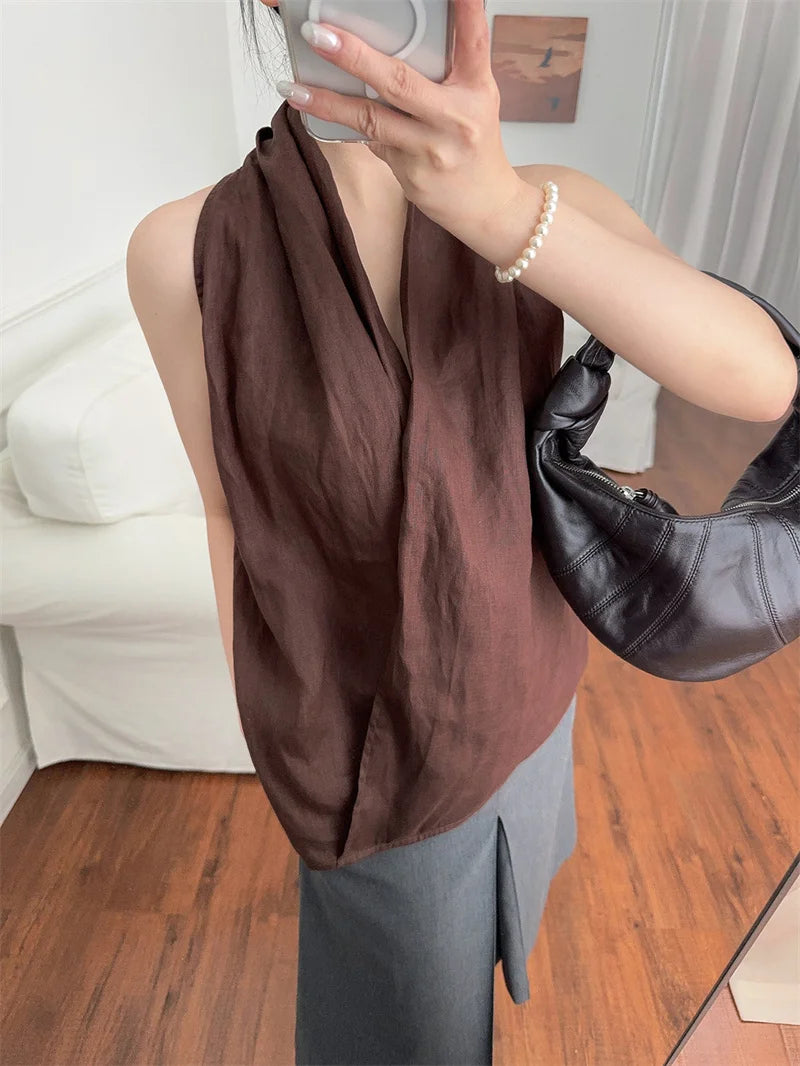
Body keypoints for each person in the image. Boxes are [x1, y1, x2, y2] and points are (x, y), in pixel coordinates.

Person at [126, 3, 796, 1064]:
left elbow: (760, 382)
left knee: (498, 920)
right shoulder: (186, 252)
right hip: (362, 759)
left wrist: (500, 212)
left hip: (528, 692)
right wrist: (279, 732)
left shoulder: (548, 204)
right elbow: (227, 508)